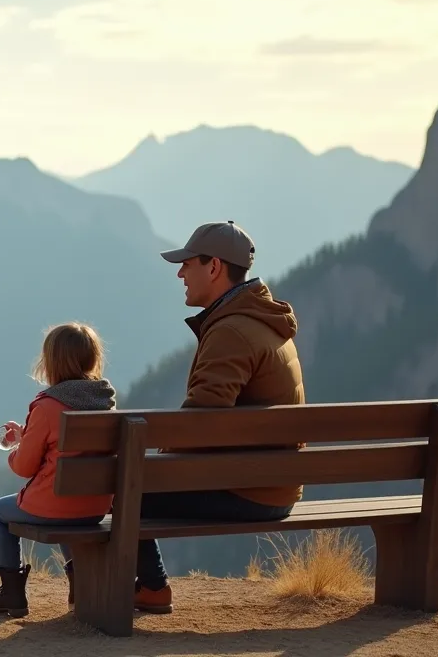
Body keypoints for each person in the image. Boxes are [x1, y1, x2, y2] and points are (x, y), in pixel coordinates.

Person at [138, 220, 305, 614]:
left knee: (121, 487)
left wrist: (155, 465)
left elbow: (201, 421)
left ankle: (150, 587)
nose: (180, 274)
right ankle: (146, 586)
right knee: (133, 481)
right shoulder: (260, 320)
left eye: (187, 264)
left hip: (253, 491)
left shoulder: (233, 331)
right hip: (276, 482)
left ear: (213, 267)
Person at [0, 322, 117, 618]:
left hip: (55, 506)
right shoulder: (105, 405)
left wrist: (17, 448)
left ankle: (11, 593)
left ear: (51, 362)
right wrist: (29, 436)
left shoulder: (47, 407)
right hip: (95, 507)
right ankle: (79, 586)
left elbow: (25, 467)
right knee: (69, 499)